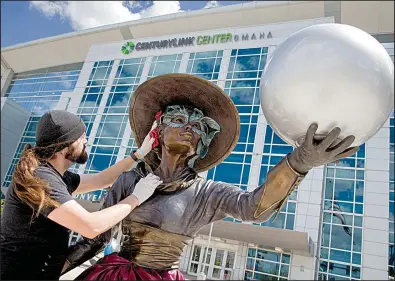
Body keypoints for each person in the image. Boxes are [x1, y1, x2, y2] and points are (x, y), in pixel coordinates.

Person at [63, 74, 359, 280]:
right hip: (115, 274)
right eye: (178, 120)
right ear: (159, 131)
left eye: (199, 126)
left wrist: (299, 162)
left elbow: (254, 208)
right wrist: (47, 270)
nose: (189, 128)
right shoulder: (128, 181)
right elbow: (94, 239)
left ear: (202, 143)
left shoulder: (206, 193)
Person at [0, 110, 162, 280]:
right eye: (81, 137)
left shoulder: (59, 176)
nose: (86, 140)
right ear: (64, 147)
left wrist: (139, 153)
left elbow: (102, 179)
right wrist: (136, 198)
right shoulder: (41, 178)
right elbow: (90, 227)